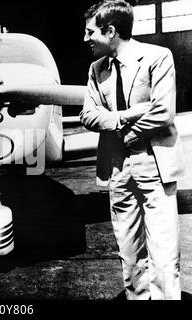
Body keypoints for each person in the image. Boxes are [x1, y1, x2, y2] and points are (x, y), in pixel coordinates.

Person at [80, 0, 186, 300]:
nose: (85, 39)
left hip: (155, 165)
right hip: (118, 169)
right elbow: (89, 115)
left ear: (110, 31)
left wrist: (129, 135)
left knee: (163, 252)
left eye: (90, 32)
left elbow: (163, 112)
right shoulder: (96, 69)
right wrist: (128, 116)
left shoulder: (157, 57)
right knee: (128, 250)